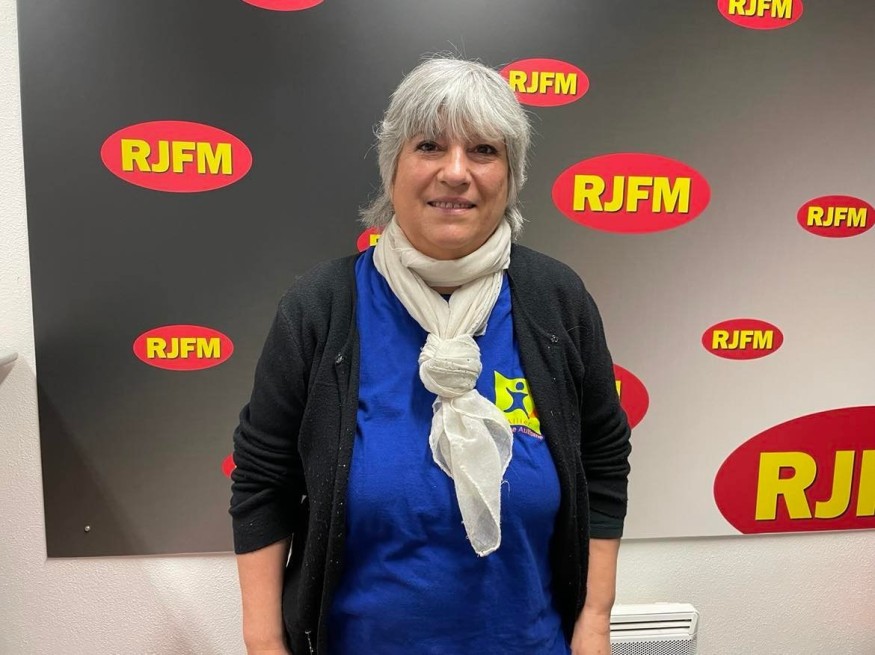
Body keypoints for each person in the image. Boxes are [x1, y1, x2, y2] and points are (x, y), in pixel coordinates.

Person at [230, 56, 632, 655]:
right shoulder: (320, 308)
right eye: (429, 146)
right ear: (392, 166)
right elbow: (264, 482)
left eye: (484, 151)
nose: (456, 172)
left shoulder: (557, 301)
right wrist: (264, 643)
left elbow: (602, 461)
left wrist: (595, 620)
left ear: (511, 175)